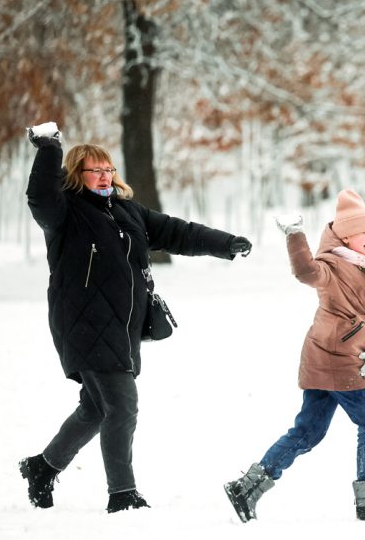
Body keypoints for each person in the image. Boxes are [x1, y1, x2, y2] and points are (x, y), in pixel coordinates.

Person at [19, 123, 253, 513]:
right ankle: (123, 494)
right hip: (84, 325)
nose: (104, 176)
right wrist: (49, 147)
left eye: (108, 169)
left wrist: (225, 243)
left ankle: (43, 467)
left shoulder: (126, 210)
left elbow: (177, 232)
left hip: (122, 327)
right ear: (76, 174)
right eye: (95, 170)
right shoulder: (64, 212)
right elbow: (39, 195)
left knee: (96, 408)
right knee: (122, 406)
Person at [224, 189, 365, 523]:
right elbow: (305, 272)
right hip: (338, 359)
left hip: (330, 361)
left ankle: (247, 487)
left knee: (309, 431)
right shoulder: (331, 265)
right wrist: (295, 234)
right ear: (346, 235)